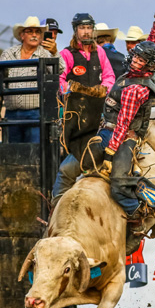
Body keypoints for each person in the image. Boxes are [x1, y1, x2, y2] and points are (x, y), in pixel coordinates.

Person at [95, 9, 155, 253]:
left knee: (118, 183)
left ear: (147, 65)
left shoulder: (135, 88)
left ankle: (137, 212)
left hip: (124, 133)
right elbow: (153, 46)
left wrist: (109, 151)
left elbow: (124, 122)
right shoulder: (140, 68)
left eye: (139, 59)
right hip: (112, 124)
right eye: (135, 55)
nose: (133, 58)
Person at [51, 13, 116, 205]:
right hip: (76, 114)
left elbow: (109, 76)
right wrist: (72, 90)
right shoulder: (67, 54)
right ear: (75, 30)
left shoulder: (100, 53)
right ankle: (57, 204)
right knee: (72, 153)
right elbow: (60, 79)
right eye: (82, 28)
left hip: (98, 112)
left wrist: (104, 89)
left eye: (89, 27)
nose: (86, 31)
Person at [0, 16, 65, 143]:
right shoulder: (8, 54)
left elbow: (60, 70)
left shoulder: (45, 54)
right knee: (13, 152)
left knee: (35, 152)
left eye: (37, 32)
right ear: (22, 35)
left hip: (35, 112)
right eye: (30, 31)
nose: (34, 35)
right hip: (11, 113)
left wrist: (55, 52)